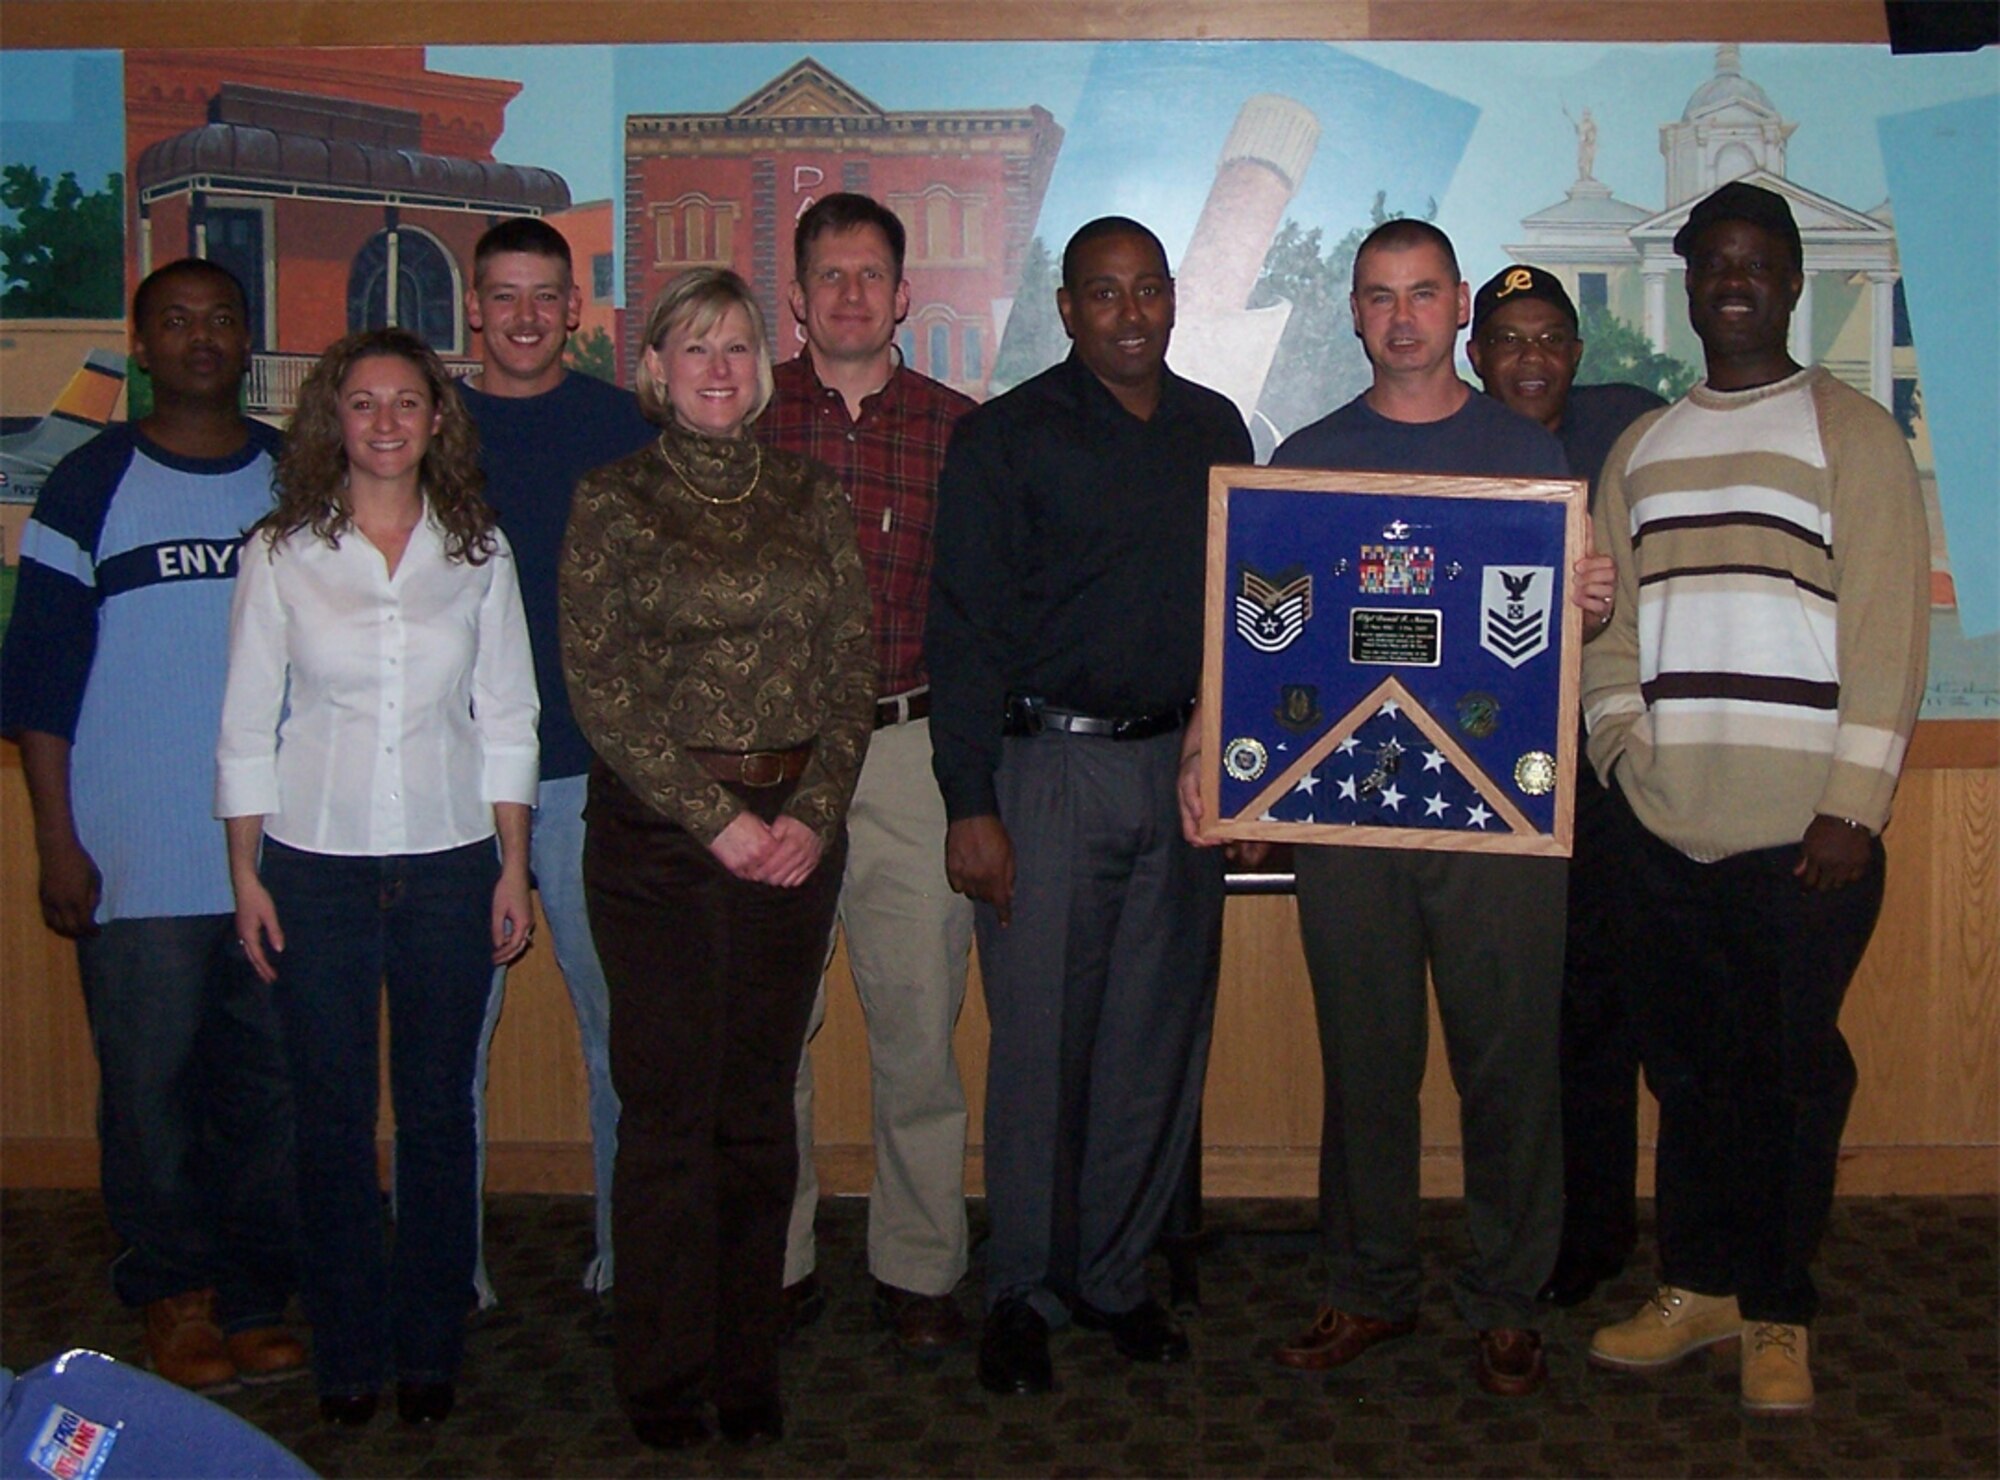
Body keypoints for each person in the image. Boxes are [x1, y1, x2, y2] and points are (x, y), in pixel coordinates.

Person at [1203, 220, 1609, 1398]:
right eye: (1377, 296)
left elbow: (1548, 641)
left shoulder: (1529, 459)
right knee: (1365, 1063)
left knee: (1507, 1063)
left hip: (1497, 818)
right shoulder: (1306, 461)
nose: (1399, 316)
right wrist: (1241, 769)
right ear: (1353, 312)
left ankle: (1506, 1296)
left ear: (1457, 304)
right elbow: (1255, 635)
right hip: (1350, 817)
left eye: (1421, 292)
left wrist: (1582, 596)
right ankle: (1368, 1284)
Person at [1583, 182, 1929, 1415]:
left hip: (1805, 840)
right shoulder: (1642, 448)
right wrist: (1621, 754)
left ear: (1792, 283)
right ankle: (1698, 1285)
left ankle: (1778, 1305)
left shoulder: (1852, 434)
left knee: (1785, 1075)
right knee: (1683, 1074)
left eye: (1756, 263)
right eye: (1712, 262)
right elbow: (1606, 635)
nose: (1732, 280)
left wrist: (1854, 802)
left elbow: (1887, 627)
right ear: (1688, 283)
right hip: (1665, 827)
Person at [928, 217, 1253, 1397]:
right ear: (1064, 310)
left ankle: (1114, 1279)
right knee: (1040, 1054)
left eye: (1149, 290)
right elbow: (959, 631)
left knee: (1149, 1049)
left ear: (1174, 302)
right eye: (1103, 294)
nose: (1130, 313)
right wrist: (970, 801)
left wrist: (1241, 763)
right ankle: (1020, 1287)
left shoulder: (1216, 431)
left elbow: (1252, 613)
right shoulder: (1003, 438)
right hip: (1043, 774)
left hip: (1178, 773)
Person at [559, 268, 874, 1449]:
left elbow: (853, 667)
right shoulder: (611, 500)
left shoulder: (812, 493)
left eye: (736, 346)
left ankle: (747, 1363)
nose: (716, 366)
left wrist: (811, 812)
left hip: (796, 834)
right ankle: (660, 1371)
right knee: (667, 1115)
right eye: (692, 347)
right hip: (659, 846)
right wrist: (720, 821)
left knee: (756, 1113)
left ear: (762, 366)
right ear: (653, 369)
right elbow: (602, 689)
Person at [215, 327, 540, 1428]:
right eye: (364, 403)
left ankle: (429, 1344)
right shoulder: (278, 553)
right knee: (333, 1119)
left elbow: (508, 716)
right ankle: (348, 1351)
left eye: (410, 402)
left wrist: (512, 864)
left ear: (438, 420)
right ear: (333, 419)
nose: (388, 421)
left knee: (442, 1115)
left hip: (453, 865)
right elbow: (244, 723)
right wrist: (246, 875)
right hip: (313, 869)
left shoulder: (477, 551)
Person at [0, 259, 303, 1394]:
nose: (201, 339)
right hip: (134, 854)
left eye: (222, 318)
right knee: (149, 1090)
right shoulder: (87, 485)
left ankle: (260, 1290)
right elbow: (37, 682)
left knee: (268, 1085)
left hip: (274, 859)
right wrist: (57, 841)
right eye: (175, 322)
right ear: (141, 342)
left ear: (246, 334)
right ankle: (173, 1295)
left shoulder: (291, 476)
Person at [756, 193, 978, 1357]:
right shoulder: (738, 422)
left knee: (915, 1022)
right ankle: (775, 1258)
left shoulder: (958, 430)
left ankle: (920, 1265)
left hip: (906, 755)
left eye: (869, 275)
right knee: (770, 1025)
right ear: (793, 298)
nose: (848, 294)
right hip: (774, 763)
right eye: (826, 275)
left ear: (902, 295)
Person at [458, 217, 657, 1307]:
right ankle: (452, 1263)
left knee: (614, 1031)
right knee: (454, 1046)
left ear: (573, 310)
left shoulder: (622, 426)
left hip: (590, 774)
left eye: (547, 296)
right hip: (451, 782)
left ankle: (629, 1250)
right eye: (505, 296)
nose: (527, 316)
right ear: (474, 309)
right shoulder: (423, 428)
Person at [1466, 264, 1666, 1308]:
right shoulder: (1451, 439)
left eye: (1549, 337)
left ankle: (1591, 1233)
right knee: (1511, 1018)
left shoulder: (1630, 433)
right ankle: (1518, 1228)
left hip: (1597, 777)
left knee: (1594, 1014)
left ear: (1577, 355)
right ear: (1474, 355)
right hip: (1478, 772)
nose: (1529, 357)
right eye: (1506, 338)